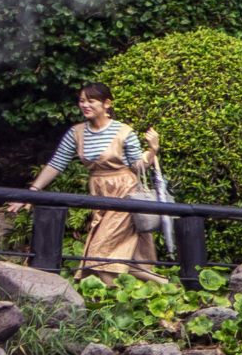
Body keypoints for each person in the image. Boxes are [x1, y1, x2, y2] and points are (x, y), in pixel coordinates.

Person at [15, 83, 161, 277]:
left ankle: (109, 298)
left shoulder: (124, 132)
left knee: (100, 250)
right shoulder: (76, 133)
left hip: (125, 193)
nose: (85, 105)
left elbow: (137, 167)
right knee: (118, 250)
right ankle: (151, 288)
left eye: (91, 100)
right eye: (82, 101)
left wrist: (152, 150)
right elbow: (56, 164)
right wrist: (32, 192)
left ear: (107, 104)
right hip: (99, 193)